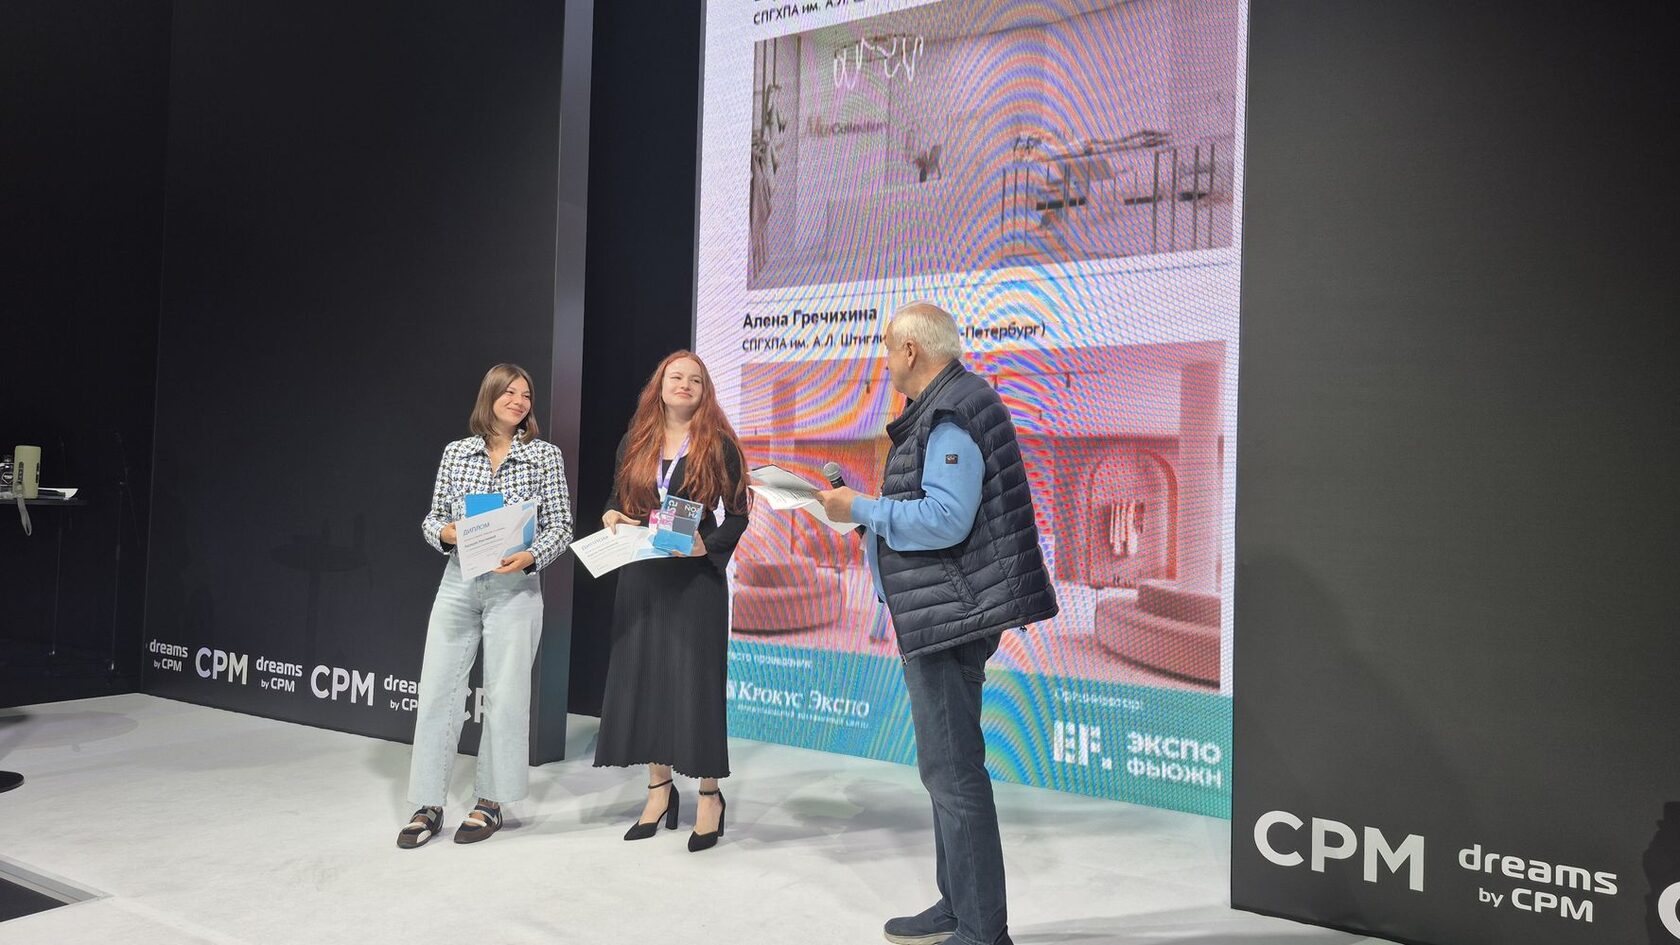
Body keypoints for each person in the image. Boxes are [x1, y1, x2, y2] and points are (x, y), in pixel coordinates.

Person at [817, 302, 1058, 945]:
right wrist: (864, 514)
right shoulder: (948, 406)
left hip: (951, 617)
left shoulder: (952, 412)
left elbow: (947, 519)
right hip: (943, 613)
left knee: (953, 774)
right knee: (944, 771)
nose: (884, 361)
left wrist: (863, 507)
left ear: (912, 351)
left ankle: (982, 931)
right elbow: (933, 514)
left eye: (886, 348)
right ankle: (958, 906)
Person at [399, 363, 574, 848]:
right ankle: (428, 803)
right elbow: (433, 518)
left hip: (514, 586)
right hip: (459, 581)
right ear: (490, 397)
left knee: (506, 695)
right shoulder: (457, 452)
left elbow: (562, 525)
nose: (519, 401)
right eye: (509, 392)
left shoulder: (544, 456)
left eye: (526, 395)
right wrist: (447, 533)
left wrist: (531, 556)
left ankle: (490, 801)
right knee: (438, 691)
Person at [595, 350, 750, 852]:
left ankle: (709, 795)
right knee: (648, 681)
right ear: (659, 387)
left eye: (695, 380)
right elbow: (618, 499)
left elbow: (739, 514)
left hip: (695, 580)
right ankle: (659, 791)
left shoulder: (719, 444)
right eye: (675, 377)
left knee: (696, 686)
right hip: (642, 574)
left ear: (705, 392)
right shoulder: (635, 441)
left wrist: (710, 546)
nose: (684, 384)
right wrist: (612, 515)